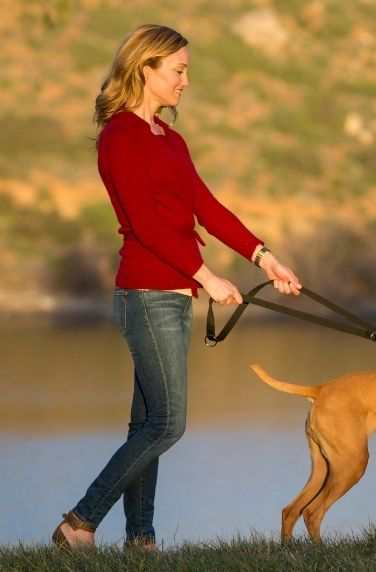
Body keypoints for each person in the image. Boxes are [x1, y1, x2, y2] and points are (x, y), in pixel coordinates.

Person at [51, 24, 302, 551]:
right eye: (179, 70)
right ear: (146, 69)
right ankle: (79, 522)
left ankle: (141, 540)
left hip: (172, 292)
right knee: (168, 424)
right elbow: (144, 223)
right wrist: (207, 276)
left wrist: (266, 257)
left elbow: (207, 209)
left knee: (147, 423)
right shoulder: (121, 136)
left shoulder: (171, 139)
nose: (186, 81)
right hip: (146, 292)